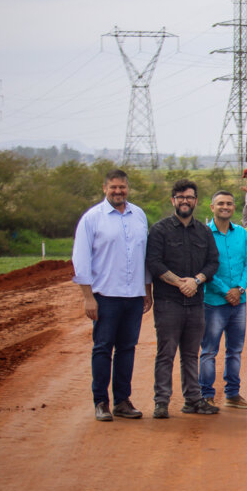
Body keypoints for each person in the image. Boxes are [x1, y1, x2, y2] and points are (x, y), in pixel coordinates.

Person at [73, 169, 152, 422]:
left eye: (122, 187)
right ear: (105, 188)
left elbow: (145, 255)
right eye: (113, 187)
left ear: (128, 188)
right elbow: (81, 260)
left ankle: (122, 401)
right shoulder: (92, 218)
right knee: (103, 348)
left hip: (134, 295)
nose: (118, 191)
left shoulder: (138, 215)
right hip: (105, 295)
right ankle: (101, 402)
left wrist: (147, 289)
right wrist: (88, 297)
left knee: (127, 349)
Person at [146, 179, 220, 419]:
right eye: (180, 197)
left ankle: (193, 400)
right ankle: (161, 402)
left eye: (189, 197)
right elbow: (154, 262)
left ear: (196, 201)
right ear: (173, 201)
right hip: (168, 302)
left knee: (190, 354)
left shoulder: (204, 231)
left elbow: (213, 262)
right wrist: (180, 283)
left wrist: (196, 281)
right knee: (165, 353)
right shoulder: (160, 230)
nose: (185, 201)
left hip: (196, 302)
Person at [200, 190, 247, 409]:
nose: (225, 207)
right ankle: (206, 395)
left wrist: (240, 289)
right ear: (212, 207)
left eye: (229, 203)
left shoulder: (242, 233)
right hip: (213, 302)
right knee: (209, 350)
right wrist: (226, 291)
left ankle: (233, 394)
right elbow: (205, 267)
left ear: (234, 207)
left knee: (235, 350)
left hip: (239, 302)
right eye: (221, 203)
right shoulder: (204, 234)